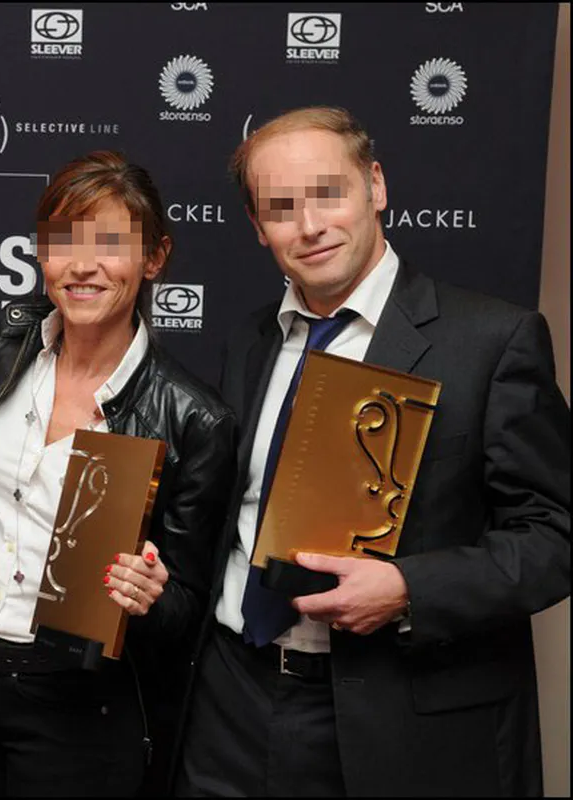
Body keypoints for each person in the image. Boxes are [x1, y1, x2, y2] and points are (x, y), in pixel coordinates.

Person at [174, 106, 571, 796]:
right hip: (233, 704)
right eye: (281, 208)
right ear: (257, 227)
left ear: (376, 186)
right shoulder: (251, 342)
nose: (310, 226)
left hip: (398, 719)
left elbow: (557, 536)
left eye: (329, 193)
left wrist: (410, 590)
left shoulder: (491, 341)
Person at [0, 151, 236, 796]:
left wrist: (149, 594)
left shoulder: (192, 417)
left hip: (77, 706)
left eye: (111, 244)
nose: (83, 266)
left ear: (154, 258)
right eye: (64, 241)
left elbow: (187, 610)